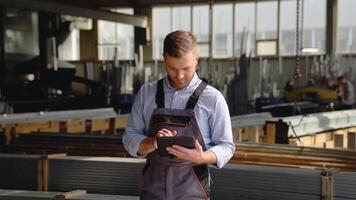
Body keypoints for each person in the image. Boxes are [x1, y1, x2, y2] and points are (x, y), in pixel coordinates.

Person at [123, 30, 235, 199]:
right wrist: (151, 143)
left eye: (186, 68)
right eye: (172, 68)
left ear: (196, 58)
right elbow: (129, 136)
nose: (180, 75)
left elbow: (227, 146)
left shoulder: (213, 99)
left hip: (193, 191)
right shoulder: (147, 93)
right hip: (152, 190)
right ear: (164, 58)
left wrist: (202, 156)